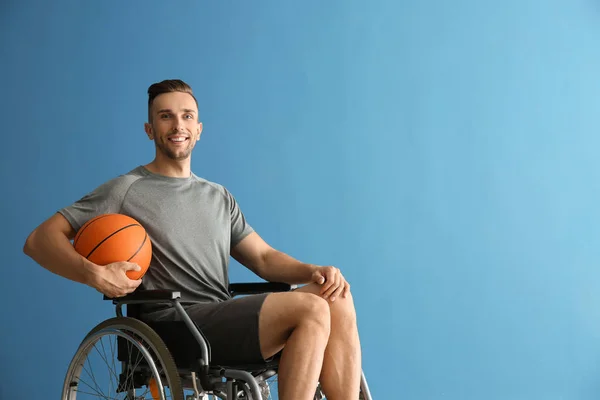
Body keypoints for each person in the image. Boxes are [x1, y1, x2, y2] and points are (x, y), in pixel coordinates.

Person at [23, 79, 362, 400]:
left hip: (223, 316)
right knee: (311, 308)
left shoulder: (218, 196)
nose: (178, 125)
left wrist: (315, 271)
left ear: (199, 130)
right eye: (165, 116)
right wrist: (94, 274)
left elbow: (263, 259)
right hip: (175, 324)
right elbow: (39, 240)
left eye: (187, 116)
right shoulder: (126, 190)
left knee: (337, 296)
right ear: (149, 130)